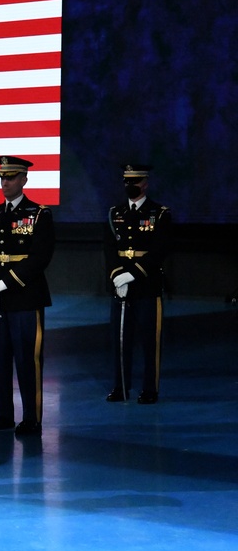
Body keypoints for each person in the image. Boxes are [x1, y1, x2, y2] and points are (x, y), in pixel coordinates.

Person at [0, 156, 55, 437]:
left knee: (27, 360)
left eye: (10, 177)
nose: (5, 182)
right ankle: (2, 415)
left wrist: (4, 284)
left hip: (25, 296)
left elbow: (39, 258)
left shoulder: (38, 214)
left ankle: (31, 418)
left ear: (24, 179)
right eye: (2, 177)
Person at [104, 164, 171, 404]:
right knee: (120, 339)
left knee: (149, 341)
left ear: (145, 183)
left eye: (135, 181)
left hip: (147, 285)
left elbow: (158, 251)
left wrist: (132, 274)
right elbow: (110, 249)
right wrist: (116, 275)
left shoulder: (160, 213)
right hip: (121, 286)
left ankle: (150, 389)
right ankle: (121, 386)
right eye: (126, 181)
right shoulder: (116, 213)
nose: (129, 186)